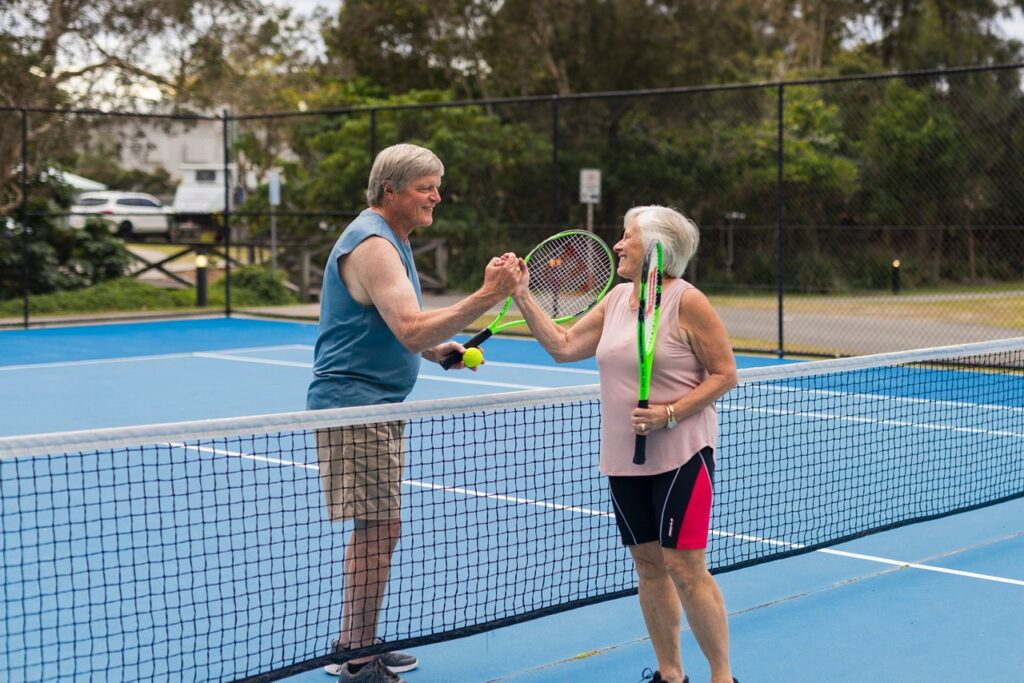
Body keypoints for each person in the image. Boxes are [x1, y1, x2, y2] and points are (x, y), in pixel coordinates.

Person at [307, 143, 521, 683]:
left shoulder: (394, 240)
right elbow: (408, 327)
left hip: (374, 405)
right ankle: (357, 659)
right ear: (391, 191)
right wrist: (488, 295)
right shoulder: (375, 244)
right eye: (426, 187)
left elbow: (400, 327)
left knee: (378, 528)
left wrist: (437, 350)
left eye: (437, 185)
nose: (437, 196)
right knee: (379, 530)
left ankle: (356, 640)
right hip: (354, 407)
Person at [512, 206, 739, 683]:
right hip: (623, 457)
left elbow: (725, 375)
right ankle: (670, 674)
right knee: (648, 564)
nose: (617, 244)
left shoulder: (687, 301)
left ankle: (722, 677)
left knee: (685, 565)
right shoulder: (617, 299)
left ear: (656, 248)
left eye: (627, 236)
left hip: (682, 454)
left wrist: (669, 413)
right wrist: (521, 294)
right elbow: (563, 346)